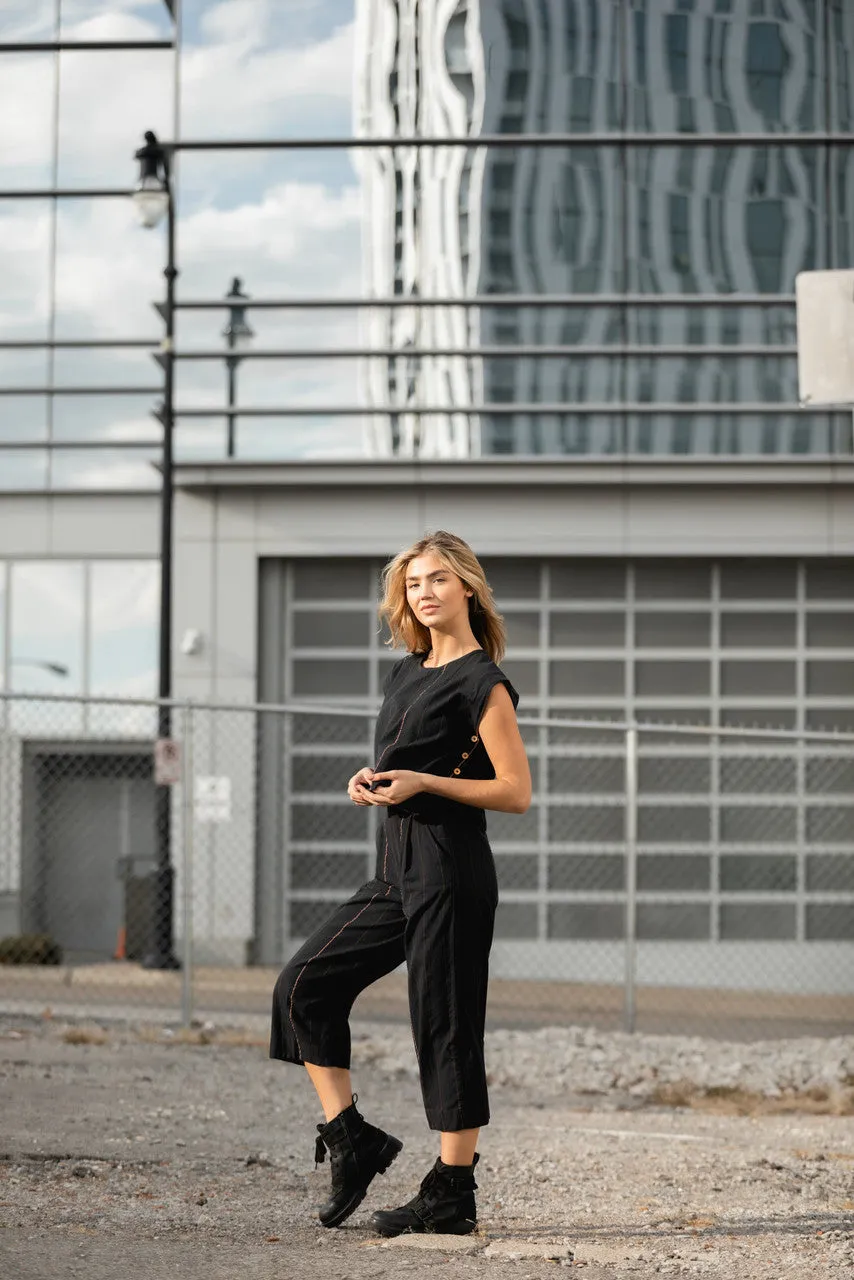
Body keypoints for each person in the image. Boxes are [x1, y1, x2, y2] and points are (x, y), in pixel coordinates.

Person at [270, 530, 531, 1237]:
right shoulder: (407, 672)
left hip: (451, 875)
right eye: (415, 583)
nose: (425, 592)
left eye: (439, 579)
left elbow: (515, 792)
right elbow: (402, 760)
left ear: (467, 589)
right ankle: (353, 1140)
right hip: (395, 874)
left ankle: (452, 1191)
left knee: (445, 1029)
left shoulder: (484, 681)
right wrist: (372, 777)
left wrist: (426, 782)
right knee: (303, 986)